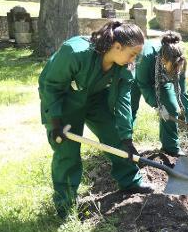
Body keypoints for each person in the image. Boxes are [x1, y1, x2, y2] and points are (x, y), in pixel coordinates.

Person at [39, 21, 152, 219]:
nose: (134, 59)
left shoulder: (124, 66)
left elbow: (124, 100)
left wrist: (126, 137)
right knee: (67, 151)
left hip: (96, 98)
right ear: (117, 46)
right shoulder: (75, 52)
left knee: (114, 136)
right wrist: (55, 123)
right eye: (132, 53)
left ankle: (130, 180)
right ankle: (65, 206)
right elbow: (51, 86)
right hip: (65, 100)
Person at [132, 31, 188, 157]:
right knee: (130, 109)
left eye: (177, 69)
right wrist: (157, 105)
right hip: (137, 76)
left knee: (171, 107)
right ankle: (125, 144)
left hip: (162, 80)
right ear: (163, 59)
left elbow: (182, 92)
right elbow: (144, 85)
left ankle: (170, 147)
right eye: (173, 68)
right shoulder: (146, 56)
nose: (176, 71)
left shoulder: (180, 63)